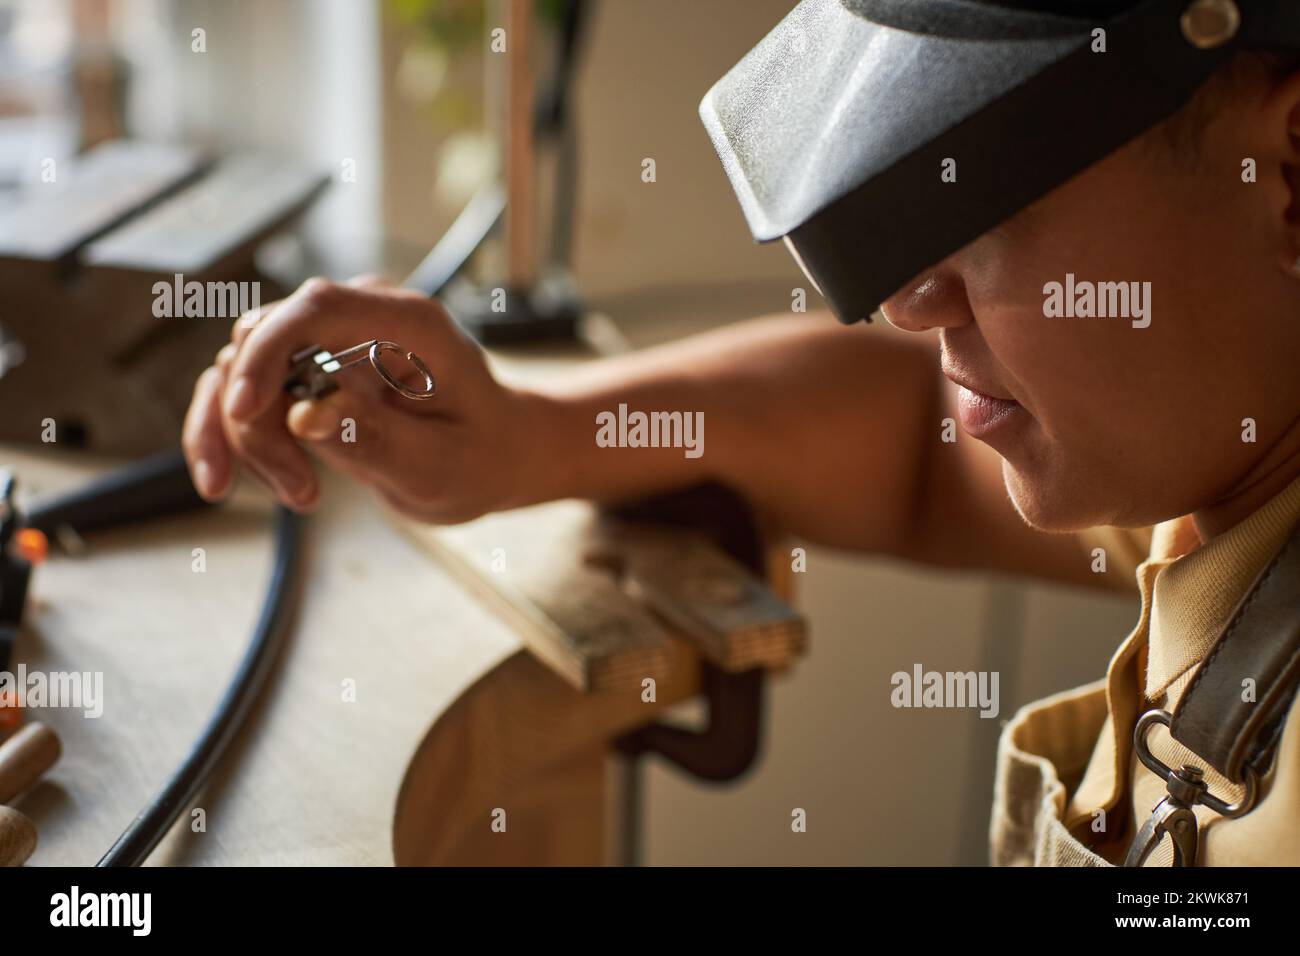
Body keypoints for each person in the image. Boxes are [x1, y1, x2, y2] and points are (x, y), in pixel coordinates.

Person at [182, 0, 1300, 866]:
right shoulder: (1218, 457)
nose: (906, 303)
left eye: (994, 201)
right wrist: (528, 434)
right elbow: (917, 435)